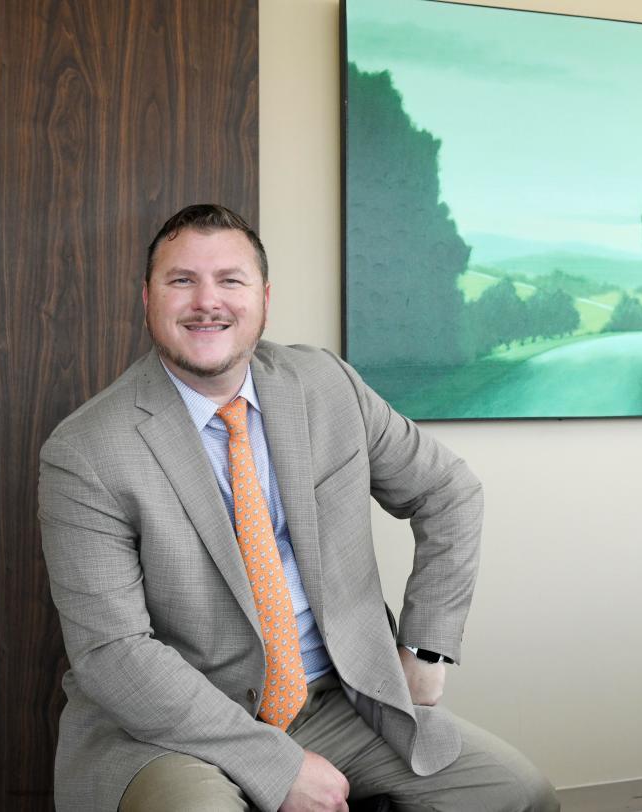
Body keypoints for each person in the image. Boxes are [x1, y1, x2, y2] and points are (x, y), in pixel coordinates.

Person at [39, 204, 559, 812]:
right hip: (175, 728)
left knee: (520, 796)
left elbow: (449, 490)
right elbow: (113, 654)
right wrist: (278, 764)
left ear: (263, 297)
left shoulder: (326, 383)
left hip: (343, 698)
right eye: (182, 280)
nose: (208, 301)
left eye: (230, 280)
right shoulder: (87, 450)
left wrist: (427, 647)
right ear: (147, 298)